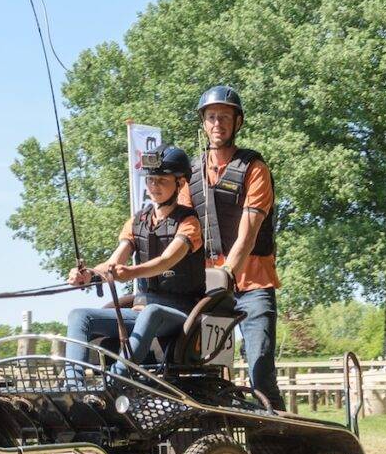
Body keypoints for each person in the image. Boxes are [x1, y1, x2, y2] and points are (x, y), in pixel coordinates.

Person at [181, 85, 285, 410]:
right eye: (211, 117)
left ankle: (280, 436)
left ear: (237, 122)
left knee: (260, 374)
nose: (217, 124)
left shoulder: (255, 169)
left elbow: (248, 233)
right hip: (209, 290)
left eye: (225, 117)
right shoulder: (190, 175)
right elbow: (182, 236)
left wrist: (227, 273)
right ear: (203, 123)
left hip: (253, 285)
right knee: (203, 375)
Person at [65, 144, 204, 375]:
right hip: (140, 312)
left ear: (180, 183)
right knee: (79, 316)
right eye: (150, 179)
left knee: (152, 311)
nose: (154, 186)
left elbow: (166, 260)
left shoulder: (189, 223)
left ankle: (118, 377)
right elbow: (114, 262)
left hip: (180, 314)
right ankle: (73, 384)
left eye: (162, 180)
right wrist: (89, 274)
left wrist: (130, 273)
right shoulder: (137, 222)